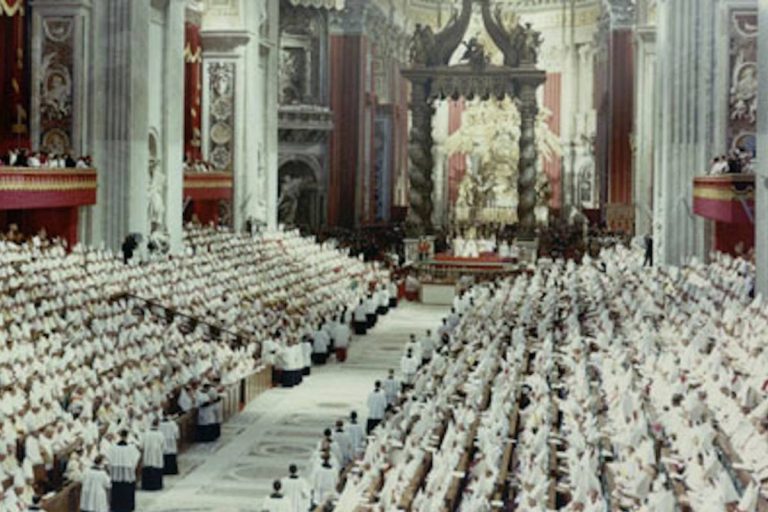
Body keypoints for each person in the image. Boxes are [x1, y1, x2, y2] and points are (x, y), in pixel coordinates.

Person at [106, 430, 140, 512]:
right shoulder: (131, 448)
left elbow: (109, 460)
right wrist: (131, 467)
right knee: (127, 491)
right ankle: (128, 506)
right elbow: (136, 458)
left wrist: (113, 469)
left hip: (116, 475)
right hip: (128, 475)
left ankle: (116, 506)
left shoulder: (113, 448)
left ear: (120, 436)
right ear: (127, 436)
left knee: (117, 491)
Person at [141, 419, 165, 490]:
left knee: (148, 467)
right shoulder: (160, 434)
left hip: (147, 456)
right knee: (156, 468)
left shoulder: (146, 434)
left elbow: (141, 445)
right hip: (157, 455)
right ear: (158, 425)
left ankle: (147, 486)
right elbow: (163, 446)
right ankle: (157, 485)